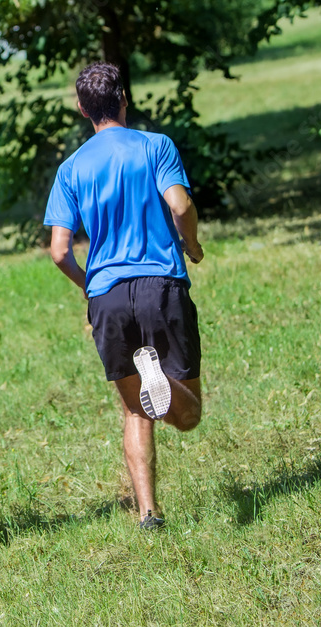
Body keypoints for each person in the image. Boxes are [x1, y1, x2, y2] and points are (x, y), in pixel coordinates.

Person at [44, 62, 204, 531]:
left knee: (136, 407)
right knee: (188, 415)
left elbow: (58, 251)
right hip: (161, 285)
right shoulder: (156, 147)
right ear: (124, 98)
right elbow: (180, 204)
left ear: (81, 108)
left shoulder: (72, 168)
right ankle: (164, 380)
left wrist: (91, 287)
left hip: (107, 297)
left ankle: (148, 514)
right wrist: (191, 245)